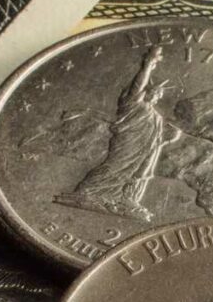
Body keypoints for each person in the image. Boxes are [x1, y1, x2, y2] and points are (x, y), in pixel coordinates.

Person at [55, 46, 181, 221]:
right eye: (154, 92)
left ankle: (128, 199)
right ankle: (87, 191)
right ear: (146, 92)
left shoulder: (156, 116)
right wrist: (148, 65)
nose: (157, 97)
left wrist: (168, 137)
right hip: (127, 144)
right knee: (115, 167)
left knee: (138, 173)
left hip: (145, 151)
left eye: (159, 95)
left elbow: (157, 137)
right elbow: (137, 86)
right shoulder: (133, 104)